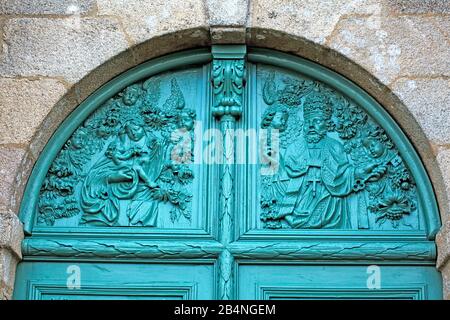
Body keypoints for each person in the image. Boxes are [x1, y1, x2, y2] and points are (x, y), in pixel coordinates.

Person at [272, 92, 384, 229]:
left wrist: (358, 172)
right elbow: (284, 174)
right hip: (298, 205)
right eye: (308, 122)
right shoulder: (294, 148)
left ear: (327, 124)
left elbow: (343, 174)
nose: (311, 126)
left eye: (317, 121)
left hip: (331, 208)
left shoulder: (335, 146)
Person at [80, 118, 164, 226]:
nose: (133, 133)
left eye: (136, 129)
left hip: (144, 195)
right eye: (129, 131)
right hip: (118, 188)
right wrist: (113, 177)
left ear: (144, 128)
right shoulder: (118, 147)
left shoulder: (157, 146)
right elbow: (97, 173)